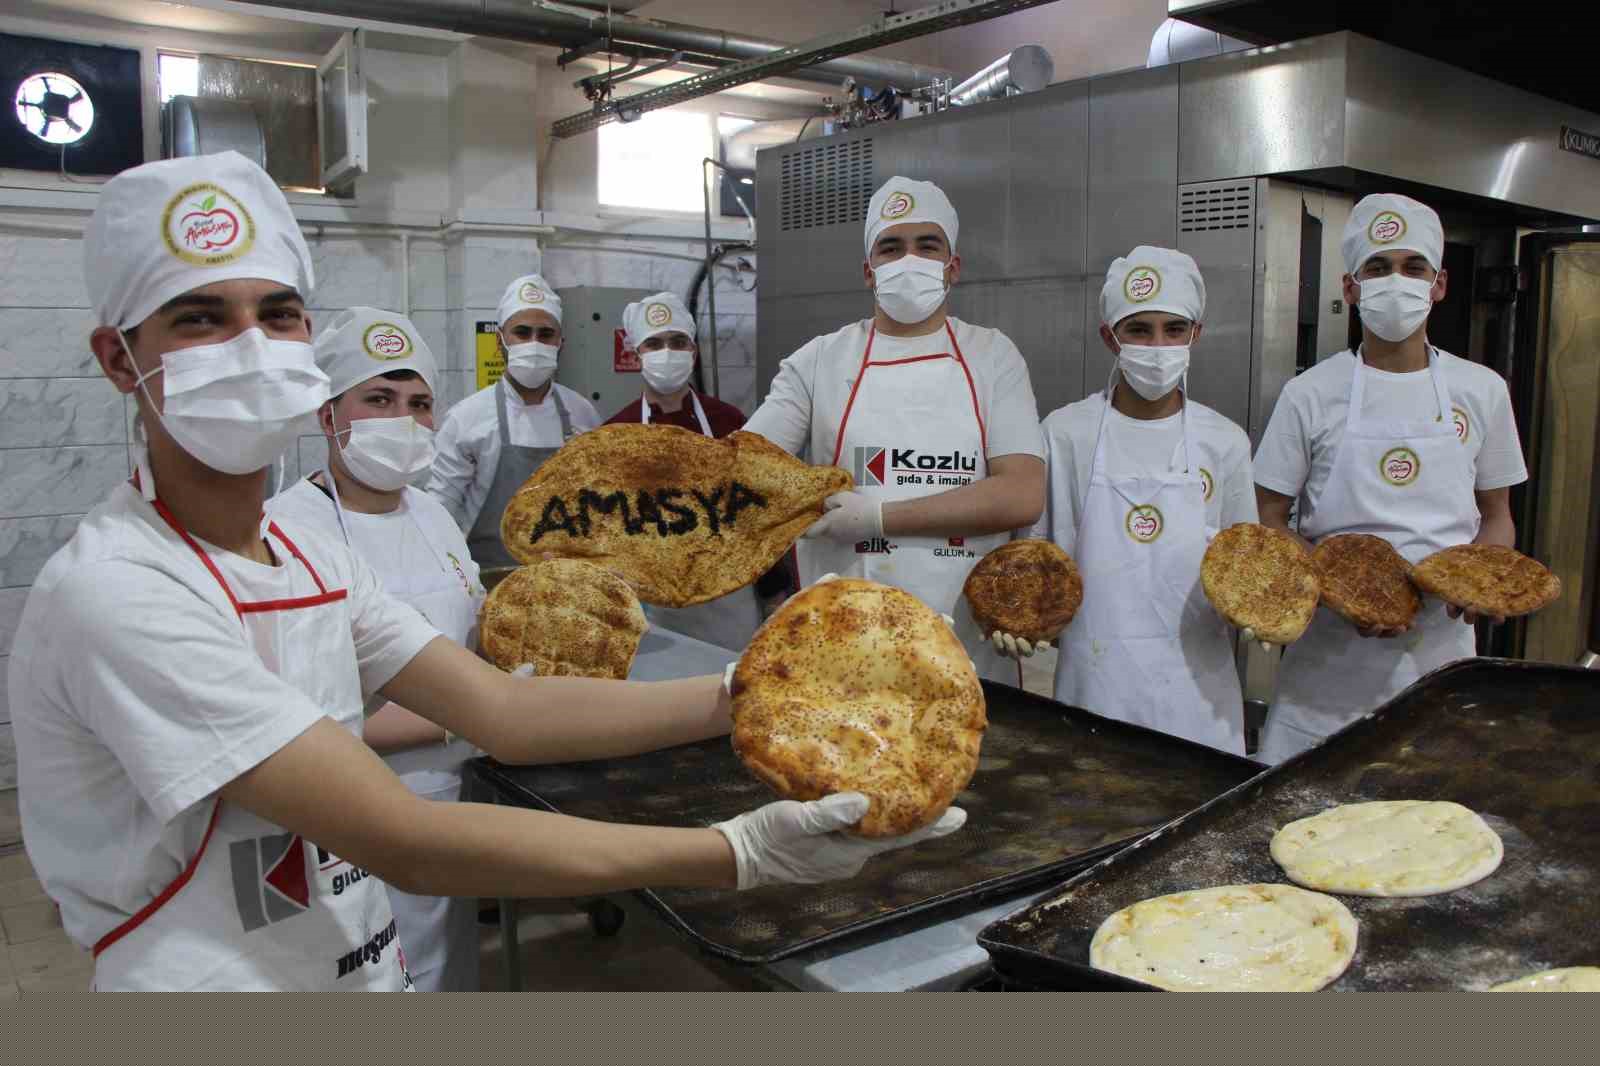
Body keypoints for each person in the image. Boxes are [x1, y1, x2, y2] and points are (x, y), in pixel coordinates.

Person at [7, 152, 965, 991]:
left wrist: (755, 692)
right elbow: (405, 841)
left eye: (279, 313)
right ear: (118, 357)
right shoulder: (122, 592)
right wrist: (733, 855)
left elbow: (504, 710)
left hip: (354, 965)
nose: (251, 345)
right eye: (200, 319)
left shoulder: (303, 551)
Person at [1252, 193, 1528, 763]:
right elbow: (1267, 519)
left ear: (1439, 284)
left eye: (1412, 267)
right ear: (1350, 287)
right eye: (1377, 268)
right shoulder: (1309, 394)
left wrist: (1486, 582)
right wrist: (1341, 590)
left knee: (1431, 830)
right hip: (1328, 663)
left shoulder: (1483, 391)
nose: (1395, 282)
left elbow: (1497, 518)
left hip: (1442, 658)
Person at [743, 176, 1046, 680]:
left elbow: (1021, 494)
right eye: (891, 247)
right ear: (869, 271)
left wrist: (878, 518)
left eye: (927, 246)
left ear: (953, 267)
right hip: (843, 642)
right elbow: (746, 475)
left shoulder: (992, 356)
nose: (909, 259)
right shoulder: (817, 362)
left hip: (966, 645)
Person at [268, 307, 483, 990]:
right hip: (348, 811)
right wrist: (465, 714)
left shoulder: (434, 514)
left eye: (419, 404)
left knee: (445, 965)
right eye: (380, 399)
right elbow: (294, 715)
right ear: (328, 415)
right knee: (365, 974)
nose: (405, 419)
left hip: (460, 795)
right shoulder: (282, 531)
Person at [994, 247, 1257, 753]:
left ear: (1195, 334)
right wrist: (1016, 618)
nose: (1157, 345)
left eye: (1173, 329)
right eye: (1139, 329)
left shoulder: (1225, 441)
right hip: (1095, 686)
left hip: (1198, 692)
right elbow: (1032, 562)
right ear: (1109, 337)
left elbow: (1244, 564)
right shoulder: (1065, 434)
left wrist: (1261, 616)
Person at [603, 292, 794, 648]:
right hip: (653, 607)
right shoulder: (616, 432)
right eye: (654, 343)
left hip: (730, 603)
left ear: (693, 352)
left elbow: (757, 515)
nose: (667, 352)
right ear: (635, 354)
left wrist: (774, 593)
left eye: (678, 342)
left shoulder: (728, 421)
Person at [427, 274, 602, 569]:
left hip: (566, 576)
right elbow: (439, 508)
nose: (534, 343)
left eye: (545, 334)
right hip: (487, 574)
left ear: (561, 343)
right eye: (522, 332)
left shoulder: (583, 412)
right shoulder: (466, 418)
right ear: (500, 341)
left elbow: (597, 501)